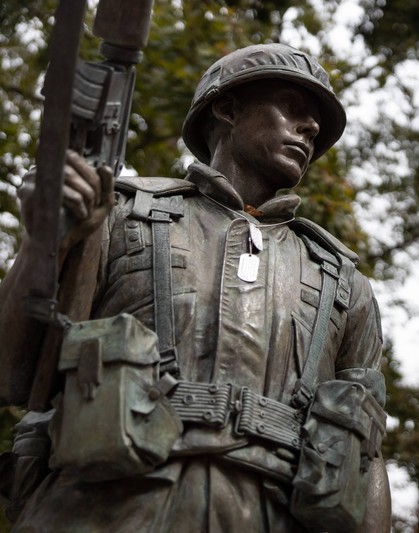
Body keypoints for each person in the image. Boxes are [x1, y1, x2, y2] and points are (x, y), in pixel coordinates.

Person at [0, 43, 390, 532]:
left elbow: (368, 454)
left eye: (316, 121)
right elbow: (11, 375)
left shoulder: (341, 278)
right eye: (292, 107)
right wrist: (44, 243)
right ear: (226, 108)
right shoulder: (116, 216)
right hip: (108, 511)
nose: (311, 128)